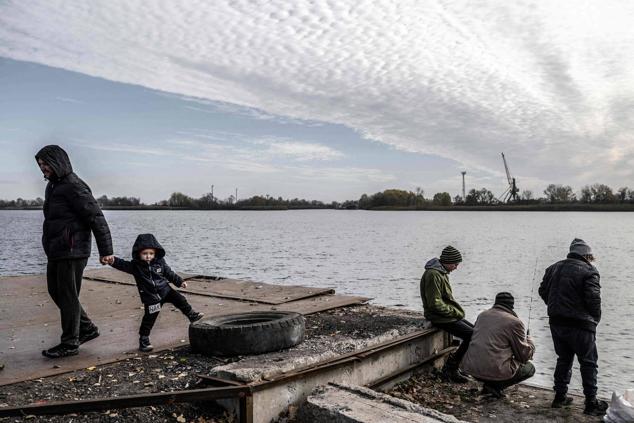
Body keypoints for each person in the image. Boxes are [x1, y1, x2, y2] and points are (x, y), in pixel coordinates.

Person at [36, 145, 113, 359]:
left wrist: (106, 250)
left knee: (68, 295)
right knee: (55, 291)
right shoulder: (53, 186)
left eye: (46, 164)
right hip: (57, 250)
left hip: (73, 250)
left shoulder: (74, 185)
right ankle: (86, 329)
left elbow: (96, 217)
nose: (43, 169)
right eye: (40, 165)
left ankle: (70, 343)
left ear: (58, 162)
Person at [539, 238, 608, 416]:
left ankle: (559, 396)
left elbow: (542, 290)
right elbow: (593, 299)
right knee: (589, 363)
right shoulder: (589, 271)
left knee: (563, 358)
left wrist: (554, 307)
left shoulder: (553, 267)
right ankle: (591, 403)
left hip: (556, 322)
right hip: (581, 324)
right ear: (587, 255)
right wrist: (595, 319)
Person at [105, 233, 203, 352]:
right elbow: (123, 265)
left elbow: (169, 273)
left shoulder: (160, 262)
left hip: (166, 291)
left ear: (155, 253)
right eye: (145, 254)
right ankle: (144, 340)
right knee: (149, 319)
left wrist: (180, 281)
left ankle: (192, 315)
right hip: (151, 297)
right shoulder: (136, 266)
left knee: (180, 299)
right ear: (139, 253)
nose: (148, 256)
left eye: (151, 253)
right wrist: (112, 261)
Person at [461, 292, 535, 398]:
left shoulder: (482, 315)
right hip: (493, 372)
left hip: (472, 369)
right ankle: (495, 387)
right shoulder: (515, 323)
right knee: (529, 368)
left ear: (496, 302)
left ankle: (490, 385)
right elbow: (523, 356)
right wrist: (530, 341)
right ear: (511, 306)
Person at [420, 245, 473, 383]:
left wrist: (455, 313)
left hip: (445, 315)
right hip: (438, 316)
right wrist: (455, 312)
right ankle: (450, 369)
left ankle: (454, 366)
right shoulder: (433, 275)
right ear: (448, 262)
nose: (456, 267)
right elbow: (435, 304)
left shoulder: (441, 273)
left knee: (475, 331)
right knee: (471, 335)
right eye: (455, 264)